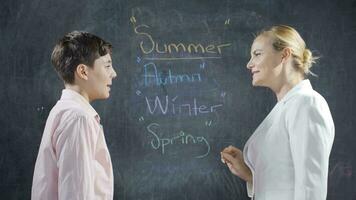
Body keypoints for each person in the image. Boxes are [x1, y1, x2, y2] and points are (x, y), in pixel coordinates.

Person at [220, 25, 334, 200]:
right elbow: (286, 181)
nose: (249, 64)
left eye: (257, 54)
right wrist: (251, 174)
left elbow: (310, 189)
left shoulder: (306, 103)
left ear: (284, 55)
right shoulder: (288, 105)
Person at [31, 31, 117, 200]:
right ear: (83, 72)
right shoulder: (78, 118)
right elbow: (76, 195)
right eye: (107, 66)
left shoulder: (65, 111)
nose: (113, 73)